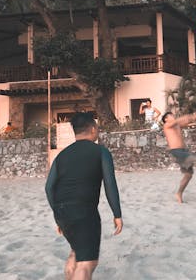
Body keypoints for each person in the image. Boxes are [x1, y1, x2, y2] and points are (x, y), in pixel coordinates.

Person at [45, 112, 123, 280]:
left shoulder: (62, 155)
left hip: (62, 212)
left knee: (76, 252)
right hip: (85, 212)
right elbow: (110, 184)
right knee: (87, 263)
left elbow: (49, 187)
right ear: (93, 129)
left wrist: (58, 213)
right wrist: (117, 214)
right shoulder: (100, 151)